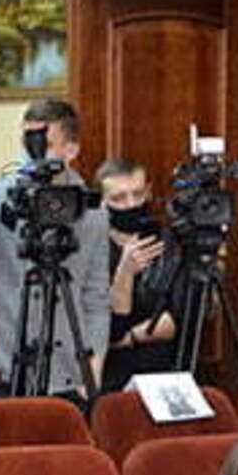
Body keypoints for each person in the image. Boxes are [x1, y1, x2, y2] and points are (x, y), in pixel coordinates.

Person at [0, 99, 111, 400]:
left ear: (71, 150)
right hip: (5, 371)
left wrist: (91, 377)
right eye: (28, 142)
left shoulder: (93, 212)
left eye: (46, 144)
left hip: (71, 376)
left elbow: (96, 298)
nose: (34, 153)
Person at [96, 159, 176, 390]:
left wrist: (131, 337)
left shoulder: (167, 241)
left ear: (148, 191)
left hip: (163, 369)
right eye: (119, 198)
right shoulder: (91, 248)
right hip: (109, 375)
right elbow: (110, 330)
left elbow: (177, 319)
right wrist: (125, 272)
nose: (131, 204)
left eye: (138, 194)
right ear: (102, 201)